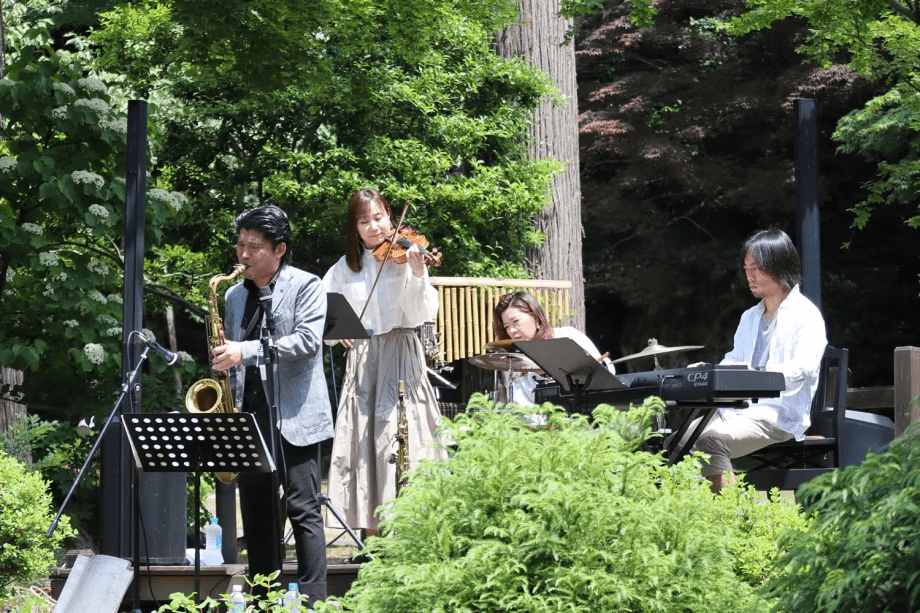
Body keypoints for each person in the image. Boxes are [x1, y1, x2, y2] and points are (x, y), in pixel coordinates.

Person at [210, 205, 333, 607]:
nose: (242, 255)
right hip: (248, 415)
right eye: (240, 244)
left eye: (253, 246)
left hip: (297, 414)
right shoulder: (231, 295)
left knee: (304, 510)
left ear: (279, 249)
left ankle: (314, 599)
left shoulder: (307, 285)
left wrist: (243, 351)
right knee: (259, 515)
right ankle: (264, 599)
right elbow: (233, 354)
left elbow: (305, 343)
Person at [322, 188, 447, 536]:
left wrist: (419, 275)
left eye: (378, 217)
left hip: (403, 352)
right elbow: (325, 312)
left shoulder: (406, 257)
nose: (374, 227)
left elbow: (422, 314)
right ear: (355, 229)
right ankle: (371, 536)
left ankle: (415, 532)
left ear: (389, 216)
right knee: (364, 443)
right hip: (364, 359)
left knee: (407, 439)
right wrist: (338, 330)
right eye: (364, 221)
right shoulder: (344, 269)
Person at [678, 228, 827, 494]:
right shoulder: (749, 317)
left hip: (777, 416)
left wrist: (758, 375)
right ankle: (697, 516)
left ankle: (732, 520)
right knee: (676, 442)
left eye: (756, 268)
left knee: (708, 440)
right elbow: (735, 360)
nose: (749, 275)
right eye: (747, 268)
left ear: (779, 267)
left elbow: (804, 367)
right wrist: (708, 372)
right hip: (737, 411)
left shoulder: (806, 315)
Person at [491, 290, 615, 406]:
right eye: (506, 326)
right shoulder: (515, 359)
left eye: (516, 321)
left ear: (535, 317)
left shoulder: (567, 336)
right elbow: (520, 404)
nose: (511, 331)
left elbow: (608, 371)